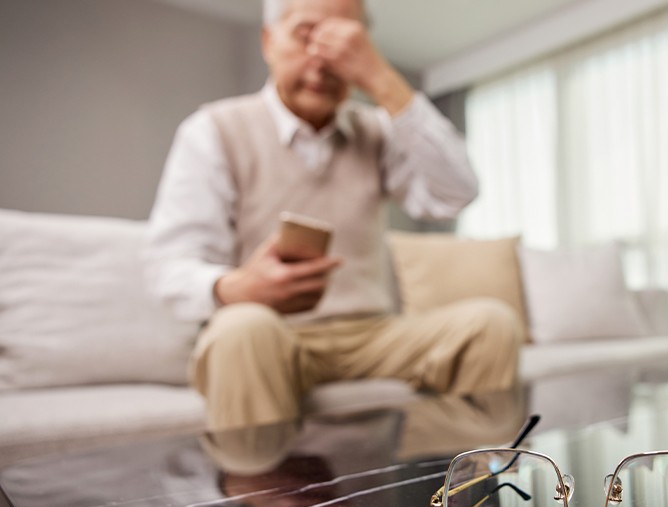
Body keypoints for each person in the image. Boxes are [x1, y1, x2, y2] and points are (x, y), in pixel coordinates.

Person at [144, 0, 521, 430]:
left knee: (490, 324)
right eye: (308, 35)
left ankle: (464, 490)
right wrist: (238, 287)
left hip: (372, 335)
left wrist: (381, 79)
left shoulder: (376, 130)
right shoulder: (213, 129)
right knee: (241, 331)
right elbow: (168, 269)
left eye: (346, 41)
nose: (325, 58)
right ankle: (261, 497)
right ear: (269, 41)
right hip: (271, 334)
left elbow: (456, 193)